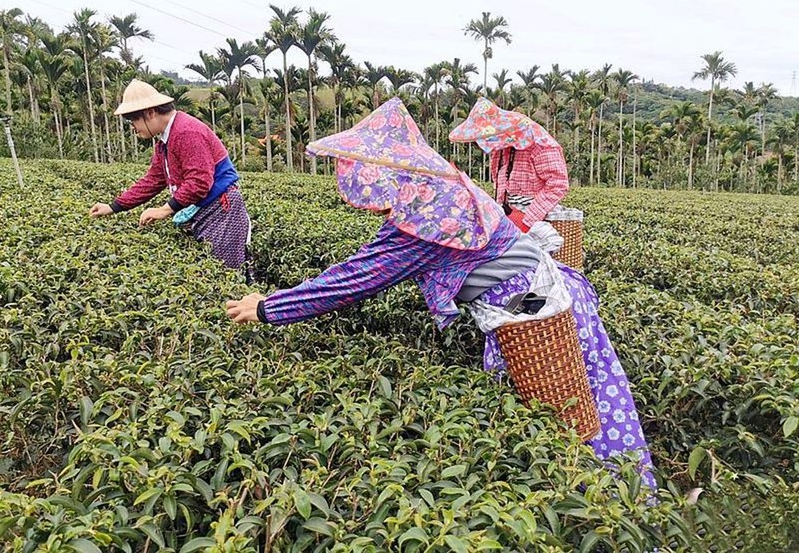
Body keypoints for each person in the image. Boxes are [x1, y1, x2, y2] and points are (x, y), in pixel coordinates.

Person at [225, 98, 656, 489]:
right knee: (589, 399)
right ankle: (618, 497)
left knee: (565, 419)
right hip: (543, 299)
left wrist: (268, 307)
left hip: (533, 316)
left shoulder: (420, 223)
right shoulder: (438, 187)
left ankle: (609, 505)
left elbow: (354, 279)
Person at [89, 79, 251, 274]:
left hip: (221, 210)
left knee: (227, 273)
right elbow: (153, 180)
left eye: (134, 120)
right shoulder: (165, 141)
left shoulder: (186, 132)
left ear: (150, 113)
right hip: (205, 209)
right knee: (213, 271)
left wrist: (165, 210)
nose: (133, 127)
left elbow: (199, 182)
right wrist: (113, 207)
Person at [449, 97, 569, 234]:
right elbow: (499, 184)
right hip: (508, 218)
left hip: (535, 221)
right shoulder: (500, 148)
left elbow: (558, 184)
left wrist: (527, 220)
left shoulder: (541, 144)